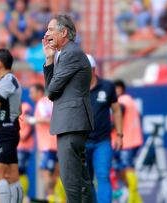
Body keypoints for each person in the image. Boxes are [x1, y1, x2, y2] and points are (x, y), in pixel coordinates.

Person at [42, 14, 94, 202]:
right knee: (81, 179)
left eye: (50, 29)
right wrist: (49, 59)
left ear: (64, 32)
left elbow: (52, 89)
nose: (46, 34)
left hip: (72, 123)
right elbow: (52, 90)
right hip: (72, 122)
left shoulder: (70, 53)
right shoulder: (66, 54)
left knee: (71, 178)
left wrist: (50, 61)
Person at [0, 48, 23, 203]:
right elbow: (19, 110)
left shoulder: (7, 80)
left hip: (4, 131)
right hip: (9, 129)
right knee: (12, 175)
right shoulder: (9, 81)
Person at [86, 54, 123, 203]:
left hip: (102, 141)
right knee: (86, 181)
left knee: (103, 175)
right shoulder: (75, 88)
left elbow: (116, 110)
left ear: (93, 69)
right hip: (81, 142)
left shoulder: (107, 86)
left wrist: (119, 135)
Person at [26, 83, 63, 202]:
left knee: (46, 173)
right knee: (56, 174)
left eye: (32, 92)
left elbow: (49, 119)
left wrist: (33, 120)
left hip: (49, 145)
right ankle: (57, 198)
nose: (31, 95)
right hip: (57, 144)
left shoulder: (42, 103)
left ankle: (51, 198)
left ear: (40, 92)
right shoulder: (52, 102)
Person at [112, 79, 143, 203]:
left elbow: (119, 113)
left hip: (126, 141)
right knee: (122, 169)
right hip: (127, 141)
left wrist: (106, 127)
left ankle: (132, 196)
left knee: (127, 167)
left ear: (120, 89)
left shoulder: (122, 100)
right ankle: (136, 199)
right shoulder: (130, 100)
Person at [17, 102, 34, 202]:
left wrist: (24, 137)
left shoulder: (25, 107)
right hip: (18, 145)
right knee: (18, 171)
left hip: (24, 146)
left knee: (20, 171)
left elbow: (31, 123)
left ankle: (24, 196)